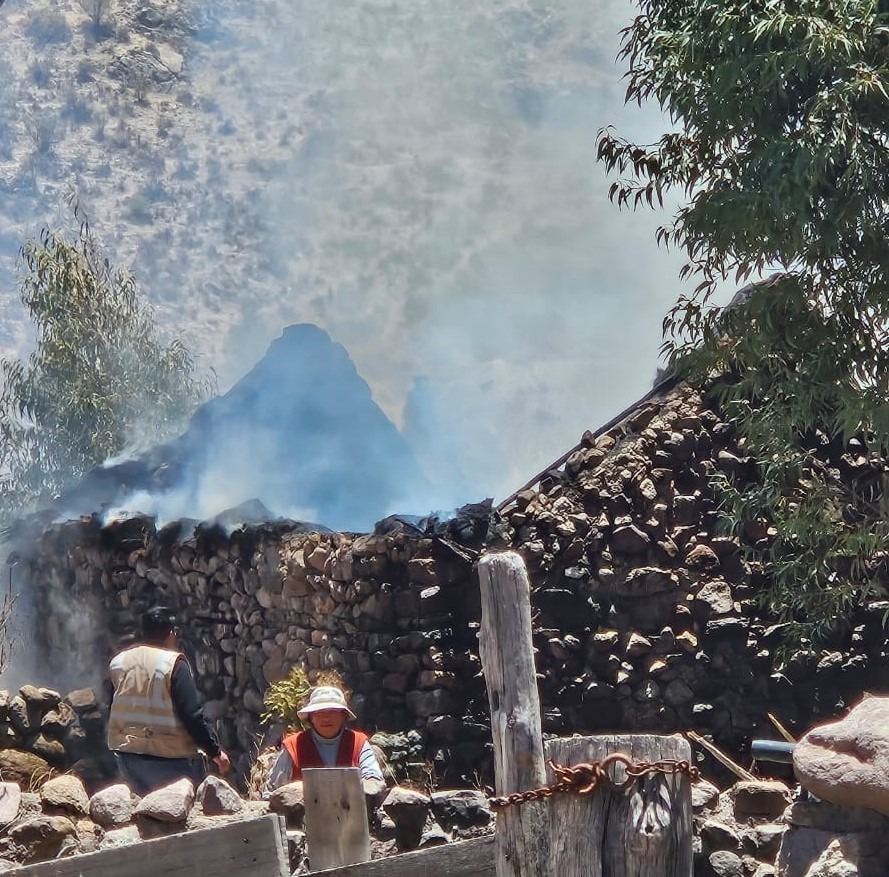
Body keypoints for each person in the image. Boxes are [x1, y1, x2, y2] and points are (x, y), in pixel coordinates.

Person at [107, 607, 230, 795]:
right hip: (170, 758)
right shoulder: (173, 664)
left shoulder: (118, 662)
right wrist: (215, 752)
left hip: (128, 758)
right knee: (180, 815)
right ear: (171, 633)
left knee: (146, 812)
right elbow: (192, 716)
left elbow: (115, 704)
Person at [264, 685, 384, 797]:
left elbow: (374, 780)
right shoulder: (293, 746)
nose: (326, 718)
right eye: (320, 713)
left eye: (333, 712)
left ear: (343, 716)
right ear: (310, 717)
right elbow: (271, 792)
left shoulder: (358, 742)